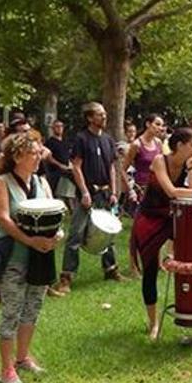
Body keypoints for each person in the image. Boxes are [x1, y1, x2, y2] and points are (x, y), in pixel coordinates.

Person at [0, 133, 61, 383]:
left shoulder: (42, 181)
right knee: (11, 311)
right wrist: (30, 241)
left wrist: (57, 234)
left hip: (40, 257)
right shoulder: (2, 183)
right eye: (33, 153)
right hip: (14, 258)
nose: (38, 157)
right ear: (17, 156)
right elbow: (4, 219)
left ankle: (22, 357)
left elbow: (54, 211)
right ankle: (6, 369)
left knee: (33, 307)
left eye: (39, 152)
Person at [130, 128, 192, 340]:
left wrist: (191, 171)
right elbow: (172, 191)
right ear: (180, 145)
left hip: (171, 218)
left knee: (191, 256)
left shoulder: (187, 164)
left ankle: (189, 307)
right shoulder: (160, 160)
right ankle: (154, 323)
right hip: (149, 219)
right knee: (150, 270)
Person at [51, 102, 124, 295]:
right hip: (87, 193)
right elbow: (76, 166)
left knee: (109, 232)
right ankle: (66, 277)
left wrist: (114, 191)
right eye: (100, 115)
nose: (104, 117)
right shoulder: (81, 139)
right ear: (90, 118)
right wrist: (84, 192)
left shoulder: (108, 139)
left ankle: (111, 269)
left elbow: (111, 167)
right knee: (76, 235)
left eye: (105, 114)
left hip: (105, 193)